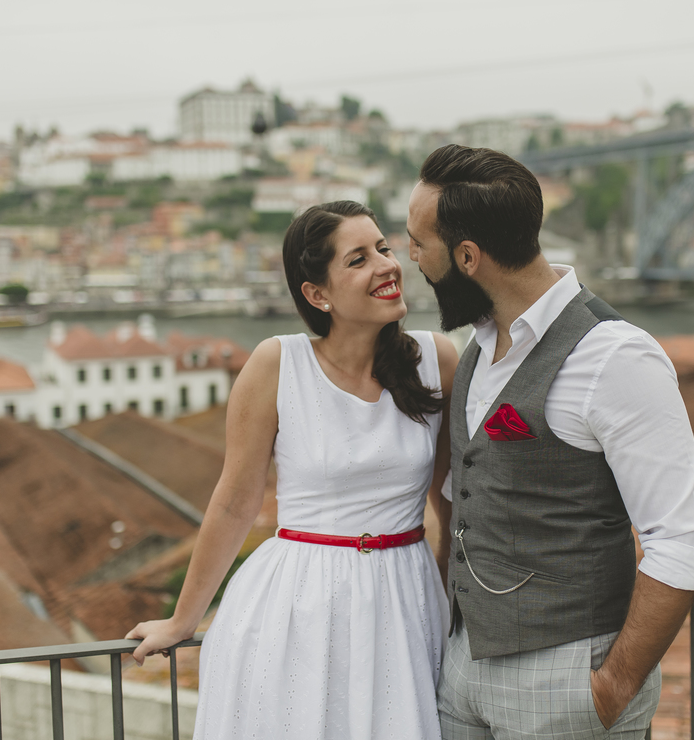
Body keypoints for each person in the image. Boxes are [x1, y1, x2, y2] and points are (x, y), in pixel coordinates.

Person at [405, 145, 694, 740]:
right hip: (461, 669)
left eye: (419, 243)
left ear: (468, 257)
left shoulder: (615, 357)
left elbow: (683, 540)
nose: (412, 258)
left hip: (566, 680)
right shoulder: (479, 346)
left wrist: (611, 689)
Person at [127, 200, 458, 739]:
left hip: (406, 601)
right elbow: (235, 502)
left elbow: (449, 503)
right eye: (358, 259)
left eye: (383, 248)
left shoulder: (437, 359)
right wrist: (183, 619)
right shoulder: (277, 364)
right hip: (297, 606)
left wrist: (447, 608)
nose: (386, 266)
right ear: (317, 294)